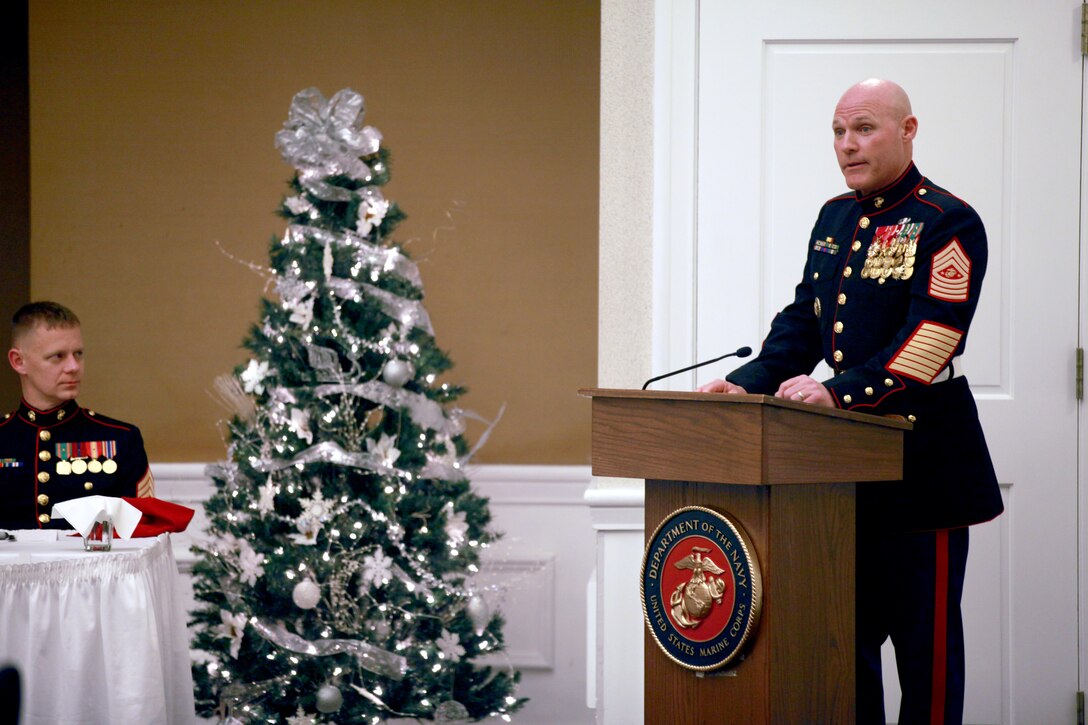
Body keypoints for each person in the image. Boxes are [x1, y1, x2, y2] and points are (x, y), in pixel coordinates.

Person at [698, 79, 1003, 724]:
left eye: (863, 128)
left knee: (927, 655)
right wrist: (748, 383)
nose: (847, 145)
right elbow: (805, 320)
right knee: (843, 649)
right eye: (838, 132)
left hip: (924, 468)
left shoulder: (946, 220)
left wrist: (837, 391)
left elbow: (932, 338)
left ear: (907, 130)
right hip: (840, 478)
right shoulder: (835, 216)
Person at [0, 301, 154, 530]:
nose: (73, 366)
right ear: (18, 361)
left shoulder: (121, 439)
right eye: (57, 356)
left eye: (78, 354)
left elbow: (141, 532)